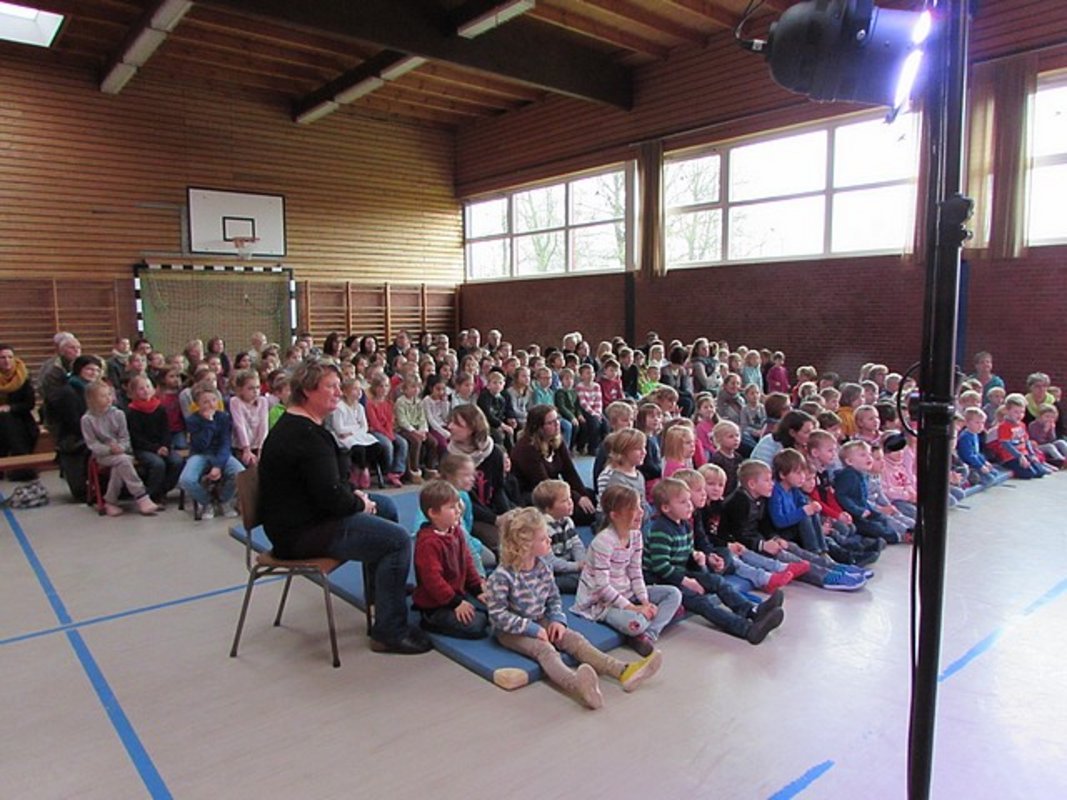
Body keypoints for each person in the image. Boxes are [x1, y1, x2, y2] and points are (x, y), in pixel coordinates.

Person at [258, 360, 431, 654]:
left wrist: (357, 496)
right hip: (299, 533)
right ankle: (389, 632)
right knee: (398, 541)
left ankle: (382, 596)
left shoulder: (308, 427)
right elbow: (332, 499)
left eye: (339, 386)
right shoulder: (304, 436)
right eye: (331, 386)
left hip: (308, 517)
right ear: (308, 390)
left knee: (386, 506)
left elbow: (330, 485)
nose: (339, 392)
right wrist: (358, 502)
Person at [485, 507, 662, 709]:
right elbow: (498, 615)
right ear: (524, 545)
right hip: (510, 630)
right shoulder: (502, 577)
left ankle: (623, 671)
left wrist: (557, 620)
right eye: (543, 539)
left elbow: (553, 597)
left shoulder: (543, 566)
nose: (549, 541)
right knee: (545, 650)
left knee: (574, 640)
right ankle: (577, 685)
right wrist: (532, 629)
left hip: (539, 618)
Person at [643, 478, 785, 643]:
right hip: (661, 580)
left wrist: (697, 556)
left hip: (679, 573)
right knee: (702, 603)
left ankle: (752, 611)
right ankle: (746, 629)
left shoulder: (685, 525)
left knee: (716, 581)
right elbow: (660, 566)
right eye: (683, 502)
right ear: (666, 508)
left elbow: (683, 551)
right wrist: (688, 582)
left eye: (689, 500)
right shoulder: (660, 529)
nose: (689, 505)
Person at [573, 484, 681, 656]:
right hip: (602, 602)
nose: (641, 512)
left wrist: (645, 602)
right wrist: (633, 608)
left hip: (627, 591)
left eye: (640, 507)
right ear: (615, 515)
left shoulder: (636, 535)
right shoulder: (603, 542)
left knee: (673, 594)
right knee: (636, 623)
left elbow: (635, 572)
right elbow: (602, 586)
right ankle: (643, 627)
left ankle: (648, 635)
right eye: (634, 509)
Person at [412, 480, 489, 639]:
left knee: (492, 609)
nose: (459, 511)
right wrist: (455, 603)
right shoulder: (428, 543)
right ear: (433, 513)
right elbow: (433, 580)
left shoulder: (456, 531)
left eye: (458, 506)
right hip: (437, 603)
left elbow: (467, 561)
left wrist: (477, 589)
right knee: (477, 625)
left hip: (457, 593)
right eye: (452, 507)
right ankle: (429, 620)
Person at [80, 380, 159, 516]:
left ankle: (110, 501)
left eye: (109, 394)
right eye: (103, 396)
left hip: (123, 452)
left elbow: (125, 438)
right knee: (123, 461)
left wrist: (121, 447)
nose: (108, 398)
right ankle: (141, 496)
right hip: (103, 455)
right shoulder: (87, 419)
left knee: (122, 462)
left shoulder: (119, 414)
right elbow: (92, 444)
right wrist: (109, 449)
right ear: (92, 399)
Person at [509, 404, 597, 526]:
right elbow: (544, 483)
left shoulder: (556, 440)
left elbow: (570, 472)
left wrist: (582, 495)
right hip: (536, 494)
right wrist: (576, 498)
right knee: (583, 513)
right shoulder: (527, 449)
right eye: (551, 422)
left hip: (554, 488)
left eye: (557, 419)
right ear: (539, 428)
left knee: (591, 496)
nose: (557, 424)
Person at [446, 404, 512, 554]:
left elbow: (498, 489)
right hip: (468, 515)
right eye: (450, 422)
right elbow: (461, 502)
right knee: (501, 544)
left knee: (521, 531)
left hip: (492, 510)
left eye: (457, 424)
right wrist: (495, 519)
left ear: (473, 428)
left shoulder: (494, 452)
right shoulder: (450, 458)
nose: (450, 427)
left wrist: (506, 515)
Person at [178, 387, 244, 520]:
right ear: (197, 404)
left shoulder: (224, 417)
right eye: (205, 402)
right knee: (186, 480)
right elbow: (201, 445)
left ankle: (224, 499)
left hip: (220, 454)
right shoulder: (192, 420)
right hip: (200, 454)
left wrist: (218, 466)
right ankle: (207, 502)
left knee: (240, 473)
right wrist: (208, 423)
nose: (211, 404)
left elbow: (225, 443)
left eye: (214, 400)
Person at [125, 375, 183, 506]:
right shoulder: (131, 412)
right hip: (143, 448)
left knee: (177, 461)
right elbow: (135, 437)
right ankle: (150, 495)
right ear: (134, 392)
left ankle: (162, 491)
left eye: (148, 387)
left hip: (162, 446)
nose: (145, 390)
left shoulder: (160, 408)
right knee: (157, 464)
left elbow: (166, 431)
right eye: (141, 388)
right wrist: (155, 449)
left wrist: (165, 446)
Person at [326, 377, 383, 490]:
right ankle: (358, 470)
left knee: (377, 447)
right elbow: (339, 429)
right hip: (344, 438)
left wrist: (353, 430)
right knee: (359, 450)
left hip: (356, 435)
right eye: (354, 389)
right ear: (345, 392)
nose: (358, 392)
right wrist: (355, 428)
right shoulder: (339, 407)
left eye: (359, 389)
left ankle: (364, 467)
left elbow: (364, 427)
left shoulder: (360, 407)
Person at [531, 479, 587, 594]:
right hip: (550, 571)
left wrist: (583, 562)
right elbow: (549, 561)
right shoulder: (544, 528)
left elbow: (576, 544)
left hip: (567, 565)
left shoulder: (567, 521)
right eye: (564, 501)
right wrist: (576, 566)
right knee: (580, 583)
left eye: (570, 498)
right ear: (548, 509)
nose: (570, 503)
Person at [0, 344, 40, 480]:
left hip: (20, 416)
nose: (7, 361)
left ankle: (20, 466)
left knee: (9, 423)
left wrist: (11, 408)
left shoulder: (23, 375)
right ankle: (21, 467)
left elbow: (29, 404)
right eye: (2, 357)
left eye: (10, 357)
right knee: (5, 421)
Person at [228, 369, 270, 468]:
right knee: (249, 466)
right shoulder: (235, 401)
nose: (255, 391)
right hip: (241, 446)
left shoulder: (263, 401)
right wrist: (246, 449)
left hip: (258, 444)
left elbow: (263, 425)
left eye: (257, 387)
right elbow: (240, 425)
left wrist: (261, 447)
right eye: (250, 388)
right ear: (240, 389)